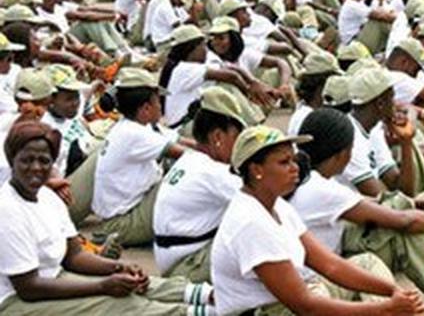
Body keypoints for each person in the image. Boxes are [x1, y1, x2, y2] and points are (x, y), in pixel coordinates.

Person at [292, 108, 424, 315]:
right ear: (343, 154)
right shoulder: (321, 188)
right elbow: (402, 220)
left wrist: (420, 206)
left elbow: (380, 202)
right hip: (319, 280)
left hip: (333, 255)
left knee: (416, 207)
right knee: (400, 232)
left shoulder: (311, 181)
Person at [0, 120, 213, 315]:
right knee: (121, 305)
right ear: (12, 160)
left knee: (138, 285)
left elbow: (74, 256)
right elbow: (28, 287)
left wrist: (118, 268)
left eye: (44, 161)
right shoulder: (8, 209)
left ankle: (212, 297)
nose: (36, 168)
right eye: (27, 160)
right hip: (15, 302)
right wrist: (102, 285)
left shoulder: (48, 198)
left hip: (53, 278)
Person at [210, 124, 424, 315]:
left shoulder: (277, 206)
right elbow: (305, 307)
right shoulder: (250, 222)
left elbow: (329, 265)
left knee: (366, 265)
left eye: (293, 160)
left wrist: (394, 292)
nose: (295, 168)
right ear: (257, 170)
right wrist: (384, 309)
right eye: (284, 162)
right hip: (266, 311)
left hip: (293, 299)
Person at [153, 86, 247, 282]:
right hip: (187, 266)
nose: (240, 146)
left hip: (176, 259)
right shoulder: (213, 172)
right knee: (256, 234)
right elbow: (264, 201)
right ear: (218, 137)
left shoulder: (192, 159)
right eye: (237, 137)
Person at [91, 67, 191, 246]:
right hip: (122, 223)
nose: (161, 107)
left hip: (124, 214)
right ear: (145, 109)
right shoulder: (133, 134)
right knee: (185, 176)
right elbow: (188, 155)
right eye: (158, 103)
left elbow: (183, 141)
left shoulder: (134, 126)